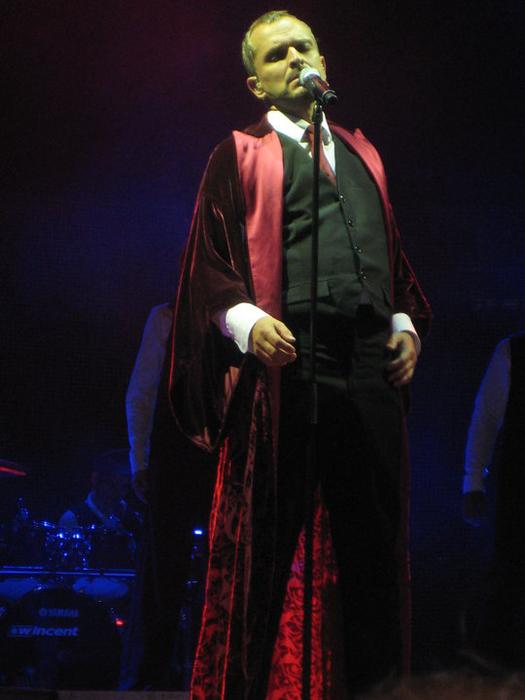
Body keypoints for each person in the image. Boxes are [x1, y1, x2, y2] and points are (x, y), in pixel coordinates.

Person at [169, 10, 431, 698]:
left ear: (323, 61)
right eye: (277, 54)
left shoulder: (363, 153)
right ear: (255, 83)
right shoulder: (239, 153)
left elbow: (392, 257)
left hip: (367, 366)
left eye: (303, 47)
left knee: (373, 555)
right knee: (264, 552)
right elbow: (207, 267)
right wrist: (248, 321)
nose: (295, 59)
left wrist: (404, 323)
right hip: (289, 365)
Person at [120, 303, 214, 690]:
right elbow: (142, 392)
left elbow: (141, 392)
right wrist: (140, 460)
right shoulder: (167, 317)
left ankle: (207, 673)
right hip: (176, 455)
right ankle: (148, 677)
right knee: (163, 571)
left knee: (209, 570)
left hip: (217, 456)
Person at [462, 331, 525, 668]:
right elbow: (485, 419)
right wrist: (473, 482)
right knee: (511, 577)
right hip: (519, 494)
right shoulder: (513, 352)